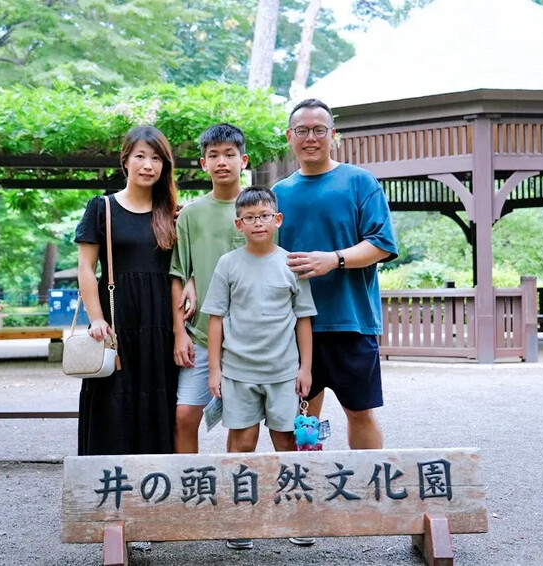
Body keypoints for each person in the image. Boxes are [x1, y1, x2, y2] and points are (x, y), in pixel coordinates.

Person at [273, 98, 398, 450]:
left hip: (351, 321)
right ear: (290, 137)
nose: (310, 138)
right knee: (302, 416)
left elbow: (382, 243)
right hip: (296, 324)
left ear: (333, 135)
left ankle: (371, 481)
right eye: (302, 130)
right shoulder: (279, 193)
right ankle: (308, 482)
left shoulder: (359, 182)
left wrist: (335, 259)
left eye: (319, 130)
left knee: (360, 412)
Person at [202, 187, 317, 550]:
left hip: (283, 371)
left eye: (264, 216)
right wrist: (215, 369)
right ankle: (241, 519)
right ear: (239, 224)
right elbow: (216, 319)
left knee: (286, 442)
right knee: (242, 443)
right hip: (238, 371)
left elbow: (303, 319)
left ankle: (296, 516)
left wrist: (305, 368)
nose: (258, 223)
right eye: (249, 218)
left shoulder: (292, 264)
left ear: (277, 219)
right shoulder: (228, 264)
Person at [74, 125, 179, 457]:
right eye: (140, 157)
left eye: (156, 159)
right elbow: (86, 268)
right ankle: (108, 480)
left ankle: (155, 480)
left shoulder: (172, 213)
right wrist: (96, 319)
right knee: (112, 398)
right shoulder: (102, 207)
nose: (148, 165)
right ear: (125, 161)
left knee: (159, 396)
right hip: (116, 321)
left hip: (160, 322)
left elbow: (183, 270)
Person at [169, 123, 249, 454]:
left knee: (243, 424)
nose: (222, 162)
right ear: (204, 164)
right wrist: (180, 333)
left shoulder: (258, 209)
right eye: (213, 155)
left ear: (243, 160)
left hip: (249, 337)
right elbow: (178, 274)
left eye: (230, 154)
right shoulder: (191, 215)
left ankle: (235, 483)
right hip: (200, 334)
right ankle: (189, 481)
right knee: (185, 415)